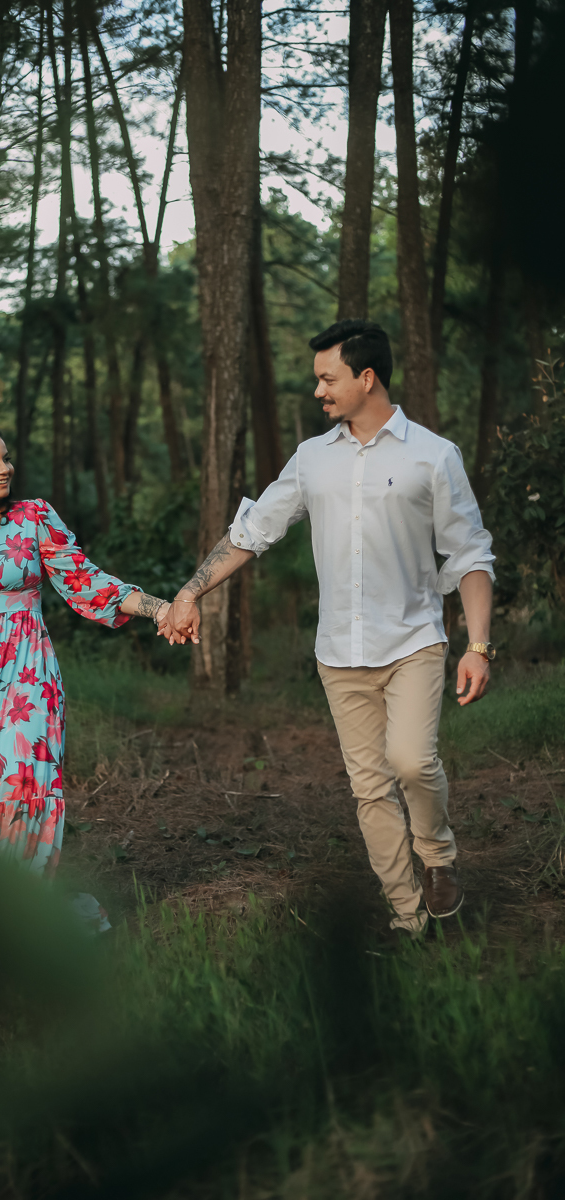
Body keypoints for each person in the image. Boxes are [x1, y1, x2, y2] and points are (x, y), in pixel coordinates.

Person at [162, 319, 496, 937]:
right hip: (339, 653)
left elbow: (470, 555)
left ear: (366, 378)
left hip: (414, 642)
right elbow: (250, 532)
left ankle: (439, 857)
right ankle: (406, 915)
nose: (317, 390)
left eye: (327, 377)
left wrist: (477, 645)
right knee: (370, 790)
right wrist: (190, 592)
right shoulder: (311, 459)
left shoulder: (433, 455)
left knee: (412, 763)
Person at [0, 421, 172, 887]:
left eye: (6, 458)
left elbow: (86, 581)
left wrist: (159, 608)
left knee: (20, 785)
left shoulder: (33, 518)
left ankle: (17, 908)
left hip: (26, 674)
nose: (5, 468)